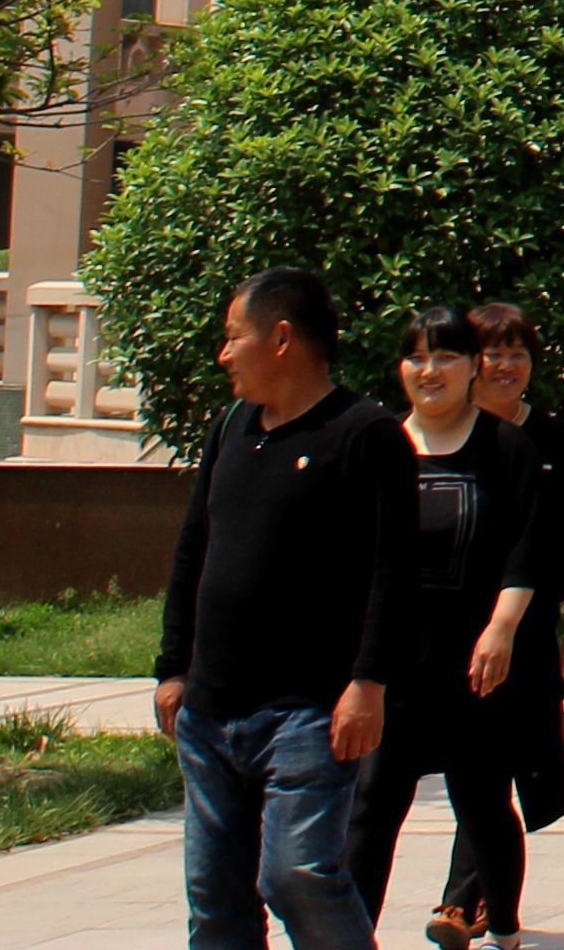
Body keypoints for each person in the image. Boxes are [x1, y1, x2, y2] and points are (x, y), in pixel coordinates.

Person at [156, 268, 403, 950]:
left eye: (234, 337)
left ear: (282, 338)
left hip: (309, 712)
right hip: (211, 712)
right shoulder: (231, 427)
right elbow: (192, 550)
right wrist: (173, 667)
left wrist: (369, 681)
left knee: (297, 875)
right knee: (216, 905)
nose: (224, 354)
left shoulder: (366, 434)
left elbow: (394, 571)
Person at [347, 310, 540, 941]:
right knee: (373, 806)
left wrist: (503, 626)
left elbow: (524, 549)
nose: (430, 372)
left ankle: (503, 928)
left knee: (482, 803)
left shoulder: (504, 447)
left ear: (472, 367)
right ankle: (351, 935)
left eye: (446, 358)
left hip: (475, 662)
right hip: (392, 662)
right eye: (417, 358)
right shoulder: (379, 444)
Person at [427, 302, 564, 950]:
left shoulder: (554, 439)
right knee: (479, 772)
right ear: (472, 363)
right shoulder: (447, 434)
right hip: (455, 627)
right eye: (493, 353)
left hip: (523, 633)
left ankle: (465, 905)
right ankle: (478, 908)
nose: (505, 366)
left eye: (517, 353)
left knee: (491, 768)